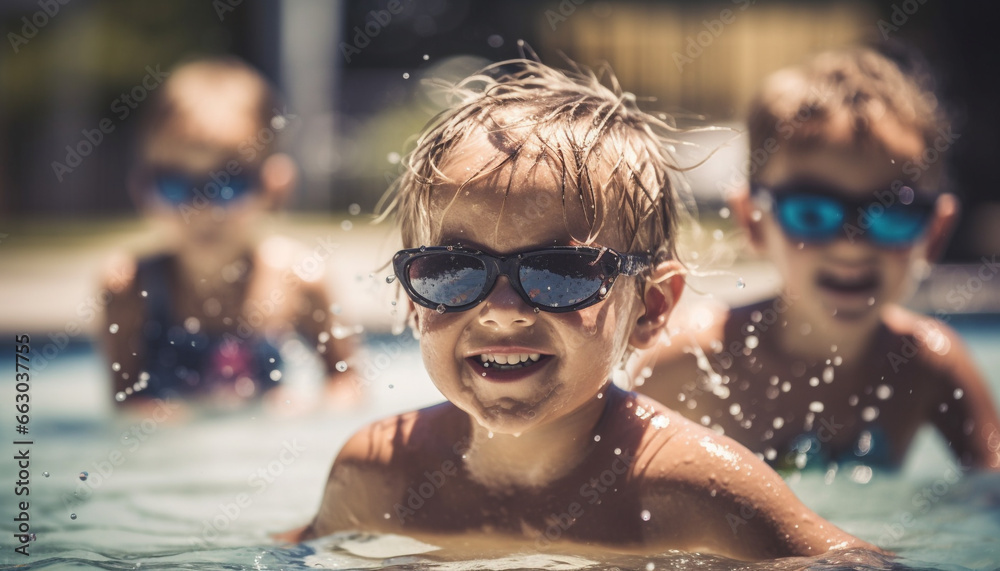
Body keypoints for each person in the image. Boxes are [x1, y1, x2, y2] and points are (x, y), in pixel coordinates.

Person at [284, 58, 876, 560]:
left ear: (650, 308)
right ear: (414, 299)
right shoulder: (378, 473)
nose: (502, 311)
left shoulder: (697, 486)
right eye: (453, 272)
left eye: (560, 274)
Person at [634, 47, 1000, 472]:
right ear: (752, 222)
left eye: (893, 214)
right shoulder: (688, 364)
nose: (852, 245)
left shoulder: (929, 367)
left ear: (934, 233)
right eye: (810, 213)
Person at [102, 57, 356, 410]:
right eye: (176, 185)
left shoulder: (301, 280)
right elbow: (125, 400)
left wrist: (308, 411)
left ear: (274, 186)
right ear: (144, 188)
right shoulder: (130, 287)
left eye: (229, 183)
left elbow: (347, 383)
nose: (203, 208)